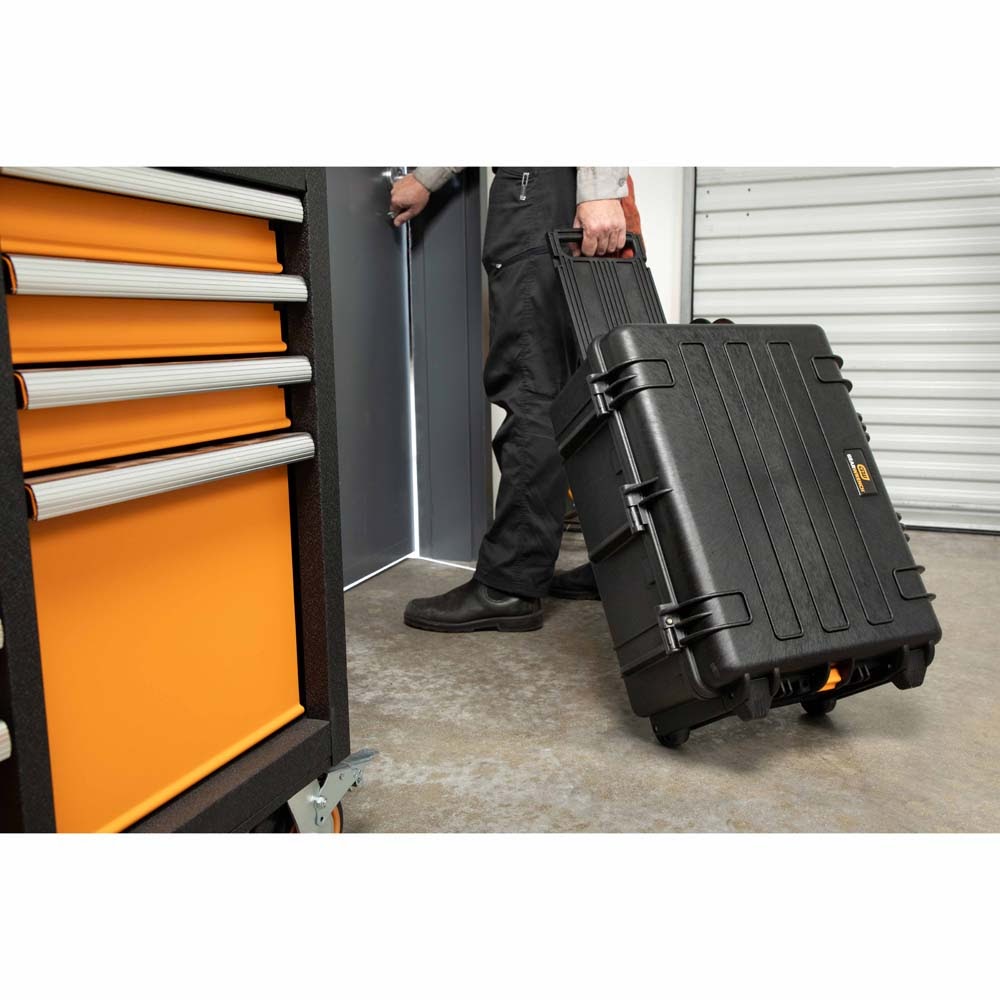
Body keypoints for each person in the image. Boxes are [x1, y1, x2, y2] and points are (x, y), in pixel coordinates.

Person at [390, 167, 629, 632]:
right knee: (589, 386)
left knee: (533, 383)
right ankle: (620, 565)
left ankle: (510, 585)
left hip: (538, 189)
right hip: (570, 191)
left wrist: (599, 190)